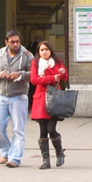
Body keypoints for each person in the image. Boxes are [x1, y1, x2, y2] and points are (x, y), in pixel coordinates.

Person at [0, 30, 33, 168]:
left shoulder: (27, 56)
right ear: (6, 42)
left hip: (19, 96)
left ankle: (15, 158)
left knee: (18, 129)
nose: (15, 44)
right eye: (12, 42)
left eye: (18, 42)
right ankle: (6, 152)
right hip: (1, 95)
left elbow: (34, 75)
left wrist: (20, 74)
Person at [29, 41, 68, 169]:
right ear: (38, 52)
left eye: (46, 49)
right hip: (41, 99)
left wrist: (61, 73)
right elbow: (34, 80)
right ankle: (46, 160)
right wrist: (52, 78)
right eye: (41, 50)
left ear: (51, 50)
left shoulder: (57, 62)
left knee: (51, 128)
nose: (44, 52)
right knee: (42, 131)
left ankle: (59, 152)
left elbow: (64, 78)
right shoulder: (35, 63)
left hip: (54, 98)